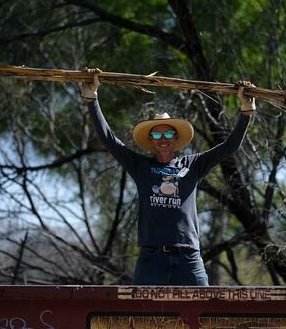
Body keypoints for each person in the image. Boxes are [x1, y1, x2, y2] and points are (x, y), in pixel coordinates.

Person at [81, 69, 255, 286]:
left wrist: (246, 111)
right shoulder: (141, 166)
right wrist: (92, 99)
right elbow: (110, 141)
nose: (162, 139)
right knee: (142, 315)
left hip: (188, 258)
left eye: (167, 134)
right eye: (156, 134)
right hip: (151, 259)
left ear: (175, 138)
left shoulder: (193, 165)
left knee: (204, 309)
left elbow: (229, 146)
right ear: (151, 141)